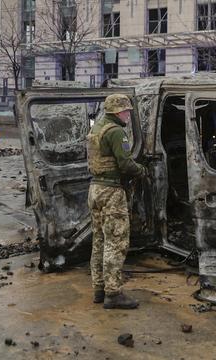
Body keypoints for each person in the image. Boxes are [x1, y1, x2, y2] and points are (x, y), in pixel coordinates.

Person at [87, 94, 146, 309]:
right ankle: (113, 294)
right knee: (116, 241)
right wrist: (141, 171)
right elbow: (125, 164)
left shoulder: (97, 128)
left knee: (99, 241)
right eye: (126, 111)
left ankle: (99, 289)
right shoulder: (116, 131)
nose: (128, 114)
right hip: (111, 191)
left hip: (95, 189)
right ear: (116, 112)